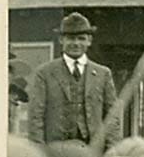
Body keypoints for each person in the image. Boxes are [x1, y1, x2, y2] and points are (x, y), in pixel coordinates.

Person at [27, 12, 121, 148]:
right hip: (56, 153)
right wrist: (40, 153)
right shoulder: (45, 73)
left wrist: (112, 150)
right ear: (61, 40)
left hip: (93, 151)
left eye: (81, 38)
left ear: (89, 41)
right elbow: (35, 117)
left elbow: (112, 118)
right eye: (71, 38)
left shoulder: (103, 74)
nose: (76, 43)